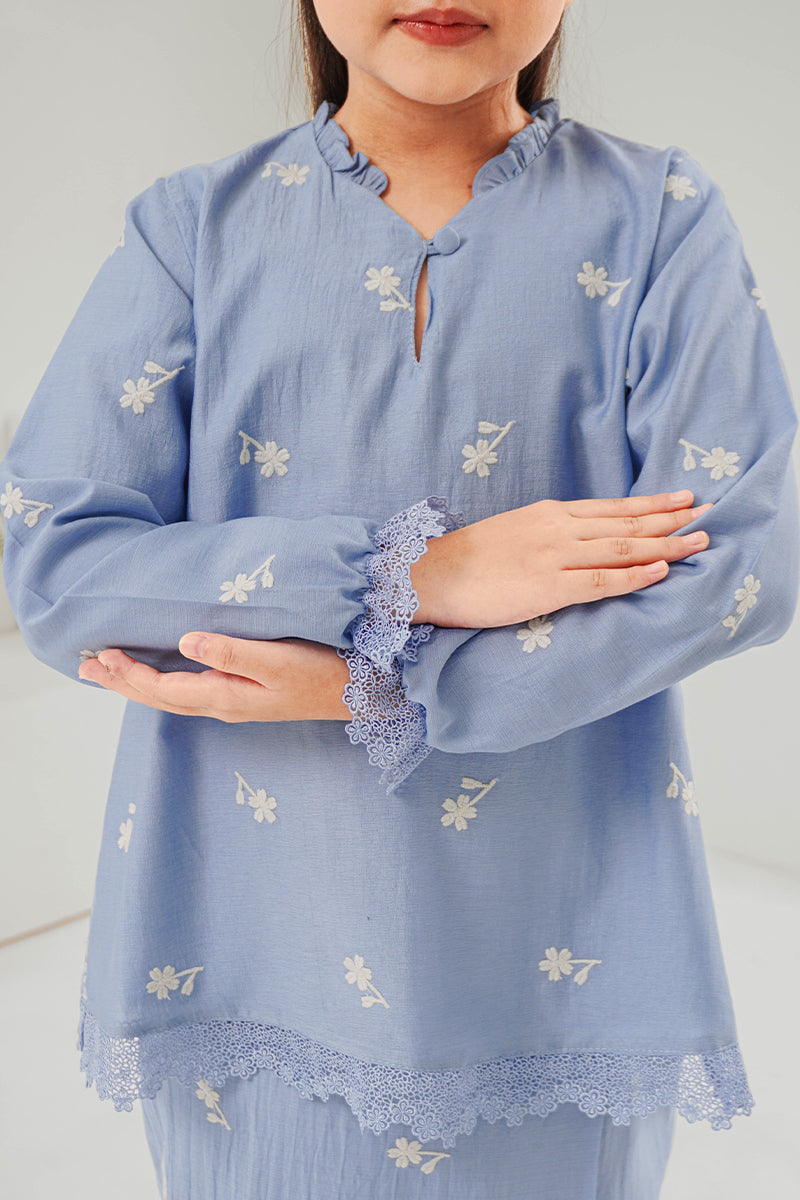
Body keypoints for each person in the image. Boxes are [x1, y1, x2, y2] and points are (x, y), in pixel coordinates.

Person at [1, 0, 798, 1196]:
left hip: (558, 935)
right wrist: (414, 572)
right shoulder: (192, 228)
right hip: (247, 935)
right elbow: (61, 566)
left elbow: (736, 568)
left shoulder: (656, 217)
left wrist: (376, 682)